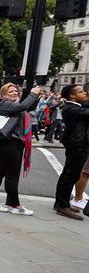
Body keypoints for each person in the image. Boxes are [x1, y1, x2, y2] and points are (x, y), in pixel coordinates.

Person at [0, 83, 39, 215]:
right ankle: (15, 206)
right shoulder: (6, 104)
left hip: (3, 142)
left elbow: (27, 106)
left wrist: (34, 96)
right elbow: (24, 106)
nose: (15, 93)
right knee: (12, 175)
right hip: (10, 144)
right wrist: (33, 93)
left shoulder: (6, 104)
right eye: (11, 92)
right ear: (3, 95)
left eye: (16, 91)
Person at [54, 84, 89, 220]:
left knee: (67, 174)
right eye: (81, 92)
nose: (84, 93)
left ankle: (60, 203)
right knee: (71, 175)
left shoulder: (75, 107)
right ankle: (63, 206)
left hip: (77, 143)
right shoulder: (71, 109)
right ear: (72, 96)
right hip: (77, 144)